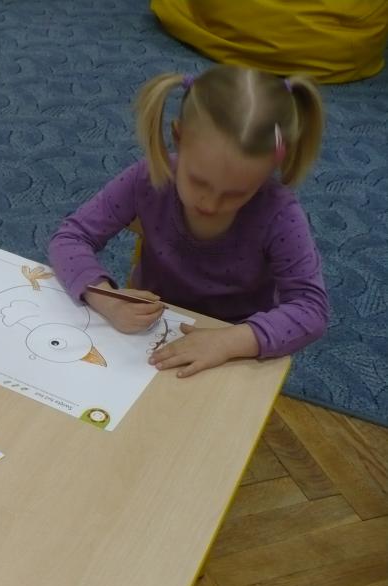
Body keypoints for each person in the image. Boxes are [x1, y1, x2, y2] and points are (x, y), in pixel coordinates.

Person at [49, 64, 329, 377]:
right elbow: (70, 238)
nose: (210, 203)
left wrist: (229, 341)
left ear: (271, 166)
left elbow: (311, 309)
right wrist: (107, 300)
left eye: (236, 193)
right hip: (147, 330)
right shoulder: (149, 177)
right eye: (198, 182)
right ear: (178, 137)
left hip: (234, 343)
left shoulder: (278, 212)